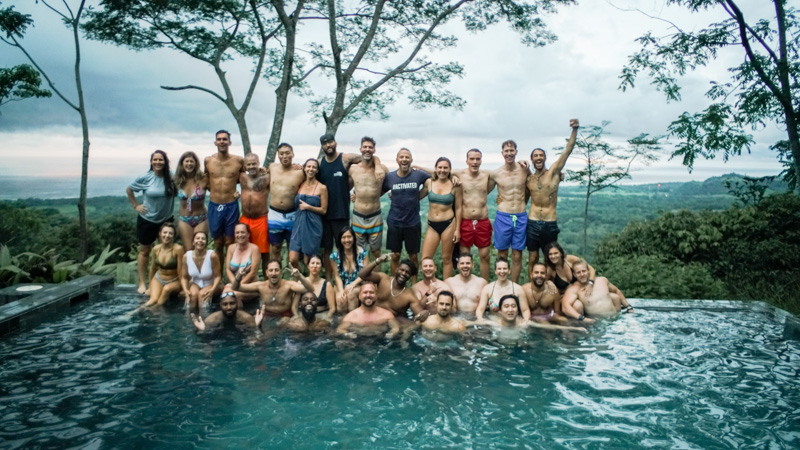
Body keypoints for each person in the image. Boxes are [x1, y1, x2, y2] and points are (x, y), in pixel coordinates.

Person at [317, 133, 378, 276]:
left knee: (343, 248)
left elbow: (367, 156)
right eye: (325, 143)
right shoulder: (320, 163)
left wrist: (379, 165)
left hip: (341, 212)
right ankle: (328, 279)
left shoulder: (345, 158)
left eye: (330, 142)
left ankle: (347, 276)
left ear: (335, 143)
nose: (328, 145)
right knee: (327, 249)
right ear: (322, 146)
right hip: (324, 213)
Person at [527, 119, 579, 279]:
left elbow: (567, 150)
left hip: (549, 222)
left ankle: (551, 287)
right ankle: (532, 288)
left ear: (545, 158)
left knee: (550, 258)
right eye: (535, 156)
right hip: (533, 221)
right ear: (531, 159)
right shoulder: (528, 178)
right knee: (533, 258)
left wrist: (575, 130)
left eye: (541, 155)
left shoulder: (554, 173)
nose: (538, 158)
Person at [127, 149, 176, 294]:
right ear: (151, 162)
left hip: (166, 221)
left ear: (165, 162)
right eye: (155, 160)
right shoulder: (145, 177)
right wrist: (136, 205)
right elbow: (129, 189)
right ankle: (142, 283)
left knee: (166, 252)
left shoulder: (171, 178)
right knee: (145, 251)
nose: (158, 162)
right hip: (147, 220)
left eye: (161, 160)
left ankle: (162, 281)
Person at [383, 148, 431, 279]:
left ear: (411, 160)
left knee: (413, 255)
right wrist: (357, 195)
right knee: (395, 255)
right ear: (397, 160)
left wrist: (418, 197)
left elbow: (436, 177)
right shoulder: (390, 177)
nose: (404, 159)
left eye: (407, 157)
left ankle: (415, 285)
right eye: (401, 157)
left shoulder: (418, 175)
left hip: (412, 222)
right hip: (394, 221)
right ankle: (394, 283)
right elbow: (377, 191)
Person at [491, 140, 530, 283]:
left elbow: (534, 183)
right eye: (506, 151)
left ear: (516, 152)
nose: (509, 153)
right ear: (502, 153)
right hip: (503, 216)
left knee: (517, 255)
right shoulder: (496, 173)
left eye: (511, 150)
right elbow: (482, 190)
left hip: (520, 216)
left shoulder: (524, 170)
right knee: (502, 254)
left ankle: (513, 287)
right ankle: (501, 285)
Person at [204, 130, 244, 260]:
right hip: (214, 205)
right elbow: (206, 180)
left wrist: (239, 192)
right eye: (219, 139)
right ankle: (219, 277)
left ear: (230, 142)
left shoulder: (238, 161)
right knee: (218, 243)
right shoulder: (208, 161)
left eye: (224, 139)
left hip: (231, 206)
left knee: (230, 242)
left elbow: (244, 179)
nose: (222, 142)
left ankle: (232, 277)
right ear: (215, 142)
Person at [456, 149, 495, 281]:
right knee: (464, 257)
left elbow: (506, 171)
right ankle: (464, 284)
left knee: (485, 256)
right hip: (465, 220)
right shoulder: (459, 174)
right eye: (472, 159)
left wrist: (521, 163)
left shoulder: (487, 174)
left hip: (482, 220)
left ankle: (484, 285)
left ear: (481, 161)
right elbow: (438, 171)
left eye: (478, 159)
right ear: (466, 161)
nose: (475, 162)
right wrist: (416, 168)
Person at [420, 157, 462, 279]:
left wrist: (457, 230)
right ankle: (428, 287)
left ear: (450, 170)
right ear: (435, 168)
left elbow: (459, 208)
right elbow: (417, 197)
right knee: (426, 258)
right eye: (440, 167)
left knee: (446, 258)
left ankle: (446, 289)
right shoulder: (429, 183)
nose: (442, 170)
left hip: (449, 224)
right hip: (432, 225)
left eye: (445, 168)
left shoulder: (455, 185)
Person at [348, 136, 388, 260]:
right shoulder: (353, 169)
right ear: (360, 149)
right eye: (365, 147)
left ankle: (377, 279)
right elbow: (346, 186)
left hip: (375, 215)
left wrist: (377, 195)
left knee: (376, 252)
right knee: (358, 252)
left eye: (370, 147)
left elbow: (389, 186)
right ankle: (361, 279)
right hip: (358, 215)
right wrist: (352, 195)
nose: (367, 149)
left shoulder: (382, 169)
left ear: (374, 150)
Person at [358, 253, 427, 321]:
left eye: (407, 272)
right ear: (396, 270)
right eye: (402, 270)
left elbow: (419, 314)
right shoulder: (383, 279)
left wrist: (426, 313)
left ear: (410, 276)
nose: (403, 273)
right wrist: (378, 261)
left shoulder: (409, 296)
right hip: (374, 317)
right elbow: (362, 275)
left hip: (393, 323)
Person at [232, 261, 314, 317]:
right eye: (271, 270)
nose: (273, 273)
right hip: (267, 315)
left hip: (285, 316)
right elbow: (235, 288)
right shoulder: (260, 286)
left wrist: (299, 276)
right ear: (266, 273)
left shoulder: (288, 285)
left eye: (276, 270)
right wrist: (239, 275)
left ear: (280, 272)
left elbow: (309, 289)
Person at [561, 260, 633, 323]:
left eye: (584, 271)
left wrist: (628, 307)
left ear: (588, 271)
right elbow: (565, 307)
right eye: (578, 272)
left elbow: (616, 291)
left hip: (616, 320)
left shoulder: (602, 280)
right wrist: (582, 318)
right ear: (574, 274)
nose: (582, 274)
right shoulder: (574, 289)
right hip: (597, 323)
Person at [268, 143, 305, 261]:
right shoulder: (272, 167)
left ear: (293, 154)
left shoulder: (300, 172)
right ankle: (275, 275)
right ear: (278, 155)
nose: (284, 156)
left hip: (292, 214)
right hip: (274, 214)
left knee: (293, 249)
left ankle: (293, 276)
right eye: (281, 154)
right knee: (275, 247)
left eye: (287, 153)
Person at [289, 158, 328, 268]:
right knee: (293, 259)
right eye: (309, 166)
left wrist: (308, 207)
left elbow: (324, 210)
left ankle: (309, 282)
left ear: (317, 171)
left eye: (314, 167)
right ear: (305, 168)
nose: (311, 169)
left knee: (308, 260)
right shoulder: (300, 184)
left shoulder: (322, 187)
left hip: (313, 224)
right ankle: (299, 280)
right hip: (298, 223)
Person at [239, 153, 270, 276]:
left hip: (261, 219)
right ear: (244, 166)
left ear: (258, 163)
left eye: (254, 163)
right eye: (248, 164)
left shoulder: (267, 178)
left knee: (264, 253)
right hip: (244, 218)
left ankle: (268, 283)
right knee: (243, 251)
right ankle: (245, 281)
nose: (251, 166)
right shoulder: (241, 177)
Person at [488, 294, 587, 333]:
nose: (510, 310)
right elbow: (474, 323)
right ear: (500, 311)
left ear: (518, 310)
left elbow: (552, 327)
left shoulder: (524, 324)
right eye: (506, 306)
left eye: (513, 306)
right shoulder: (493, 323)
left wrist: (575, 328)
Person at [141, 222, 184, 308]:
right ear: (160, 234)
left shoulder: (178, 249)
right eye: (165, 232)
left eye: (170, 233)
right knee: (152, 300)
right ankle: (134, 312)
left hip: (174, 281)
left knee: (166, 289)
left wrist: (183, 289)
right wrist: (149, 287)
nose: (167, 235)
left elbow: (181, 271)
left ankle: (153, 310)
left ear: (173, 236)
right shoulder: (155, 249)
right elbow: (153, 268)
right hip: (159, 279)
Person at [336, 281, 400, 339]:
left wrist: (391, 334)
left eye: (371, 292)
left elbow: (396, 328)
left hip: (380, 341)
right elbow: (340, 330)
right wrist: (348, 334)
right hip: (359, 342)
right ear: (359, 296)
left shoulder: (387, 315)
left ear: (376, 295)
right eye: (365, 292)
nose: (368, 295)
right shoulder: (350, 317)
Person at [475, 257, 531, 322]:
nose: (502, 271)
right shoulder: (488, 289)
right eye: (499, 269)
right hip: (493, 323)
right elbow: (480, 309)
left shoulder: (518, 289)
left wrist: (526, 321)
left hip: (512, 324)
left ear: (509, 271)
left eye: (505, 268)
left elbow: (525, 310)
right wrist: (480, 319)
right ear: (495, 271)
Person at [190, 285, 265, 332]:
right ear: (220, 305)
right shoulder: (211, 319)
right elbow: (204, 342)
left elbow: (258, 338)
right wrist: (201, 331)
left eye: (232, 303)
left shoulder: (246, 318)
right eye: (225, 304)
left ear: (237, 303)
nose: (229, 307)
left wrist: (258, 326)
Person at [174, 151, 208, 252]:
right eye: (187, 161)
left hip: (201, 218)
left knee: (200, 249)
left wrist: (235, 194)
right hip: (184, 218)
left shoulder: (204, 179)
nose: (189, 164)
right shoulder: (177, 179)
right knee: (188, 250)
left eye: (191, 161)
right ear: (182, 163)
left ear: (196, 163)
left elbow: (218, 189)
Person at [330, 226, 369, 313]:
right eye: (344, 237)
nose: (347, 240)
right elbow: (336, 276)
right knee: (341, 299)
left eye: (349, 237)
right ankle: (341, 323)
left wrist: (353, 284)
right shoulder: (335, 256)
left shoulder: (363, 253)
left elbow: (365, 274)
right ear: (340, 239)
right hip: (341, 284)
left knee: (351, 294)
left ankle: (352, 322)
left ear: (354, 238)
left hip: (358, 284)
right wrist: (341, 291)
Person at [180, 231, 222, 311]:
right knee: (192, 295)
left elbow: (218, 276)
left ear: (206, 242)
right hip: (195, 283)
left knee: (202, 295)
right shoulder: (186, 256)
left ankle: (204, 319)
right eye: (197, 238)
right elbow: (184, 277)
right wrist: (185, 290)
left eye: (203, 239)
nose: (200, 240)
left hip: (211, 283)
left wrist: (212, 290)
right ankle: (188, 320)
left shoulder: (212, 255)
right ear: (193, 242)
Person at [225, 223, 262, 305]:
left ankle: (240, 317)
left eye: (242, 232)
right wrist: (234, 284)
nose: (240, 235)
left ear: (248, 234)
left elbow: (253, 273)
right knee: (225, 296)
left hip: (250, 286)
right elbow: (228, 269)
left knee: (235, 296)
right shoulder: (231, 248)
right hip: (234, 284)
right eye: (237, 233)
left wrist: (239, 285)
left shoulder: (254, 249)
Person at [444, 253, 488, 317]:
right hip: (455, 317)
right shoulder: (449, 282)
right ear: (458, 265)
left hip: (476, 317)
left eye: (468, 263)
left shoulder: (482, 282)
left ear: (472, 265)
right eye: (462, 263)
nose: (465, 266)